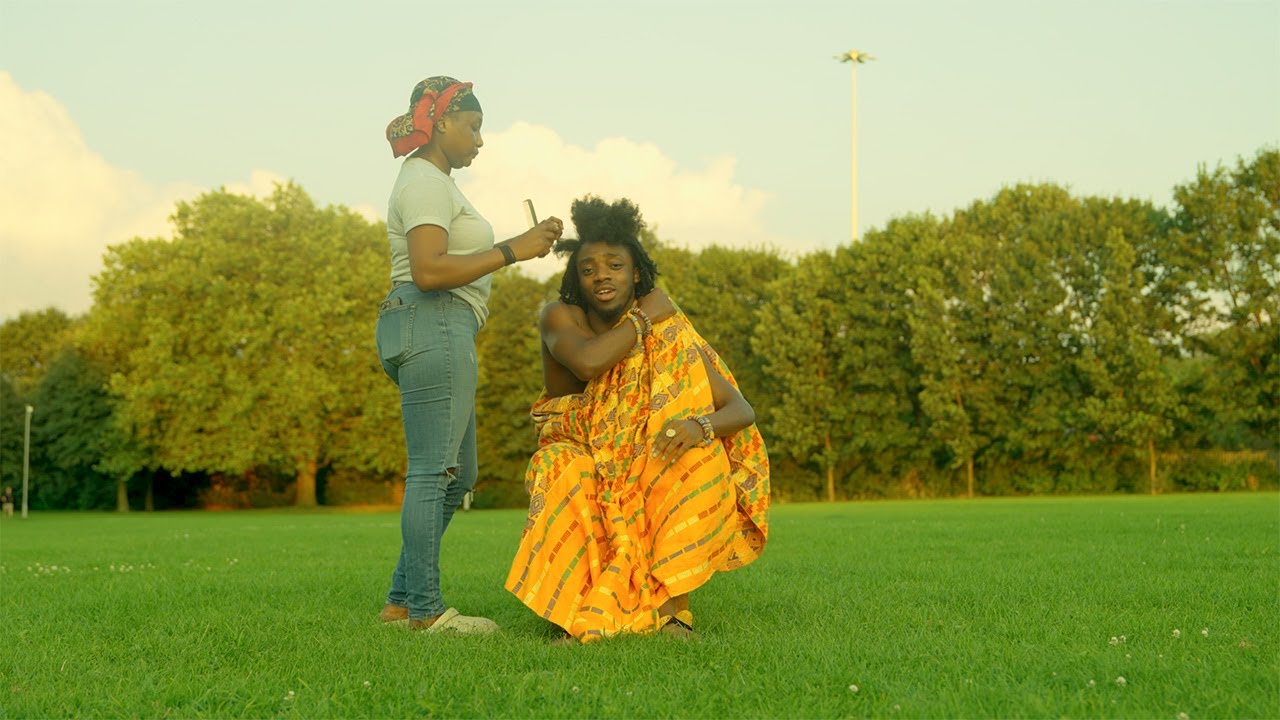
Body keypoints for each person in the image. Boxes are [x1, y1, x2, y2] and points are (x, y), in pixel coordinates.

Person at [505, 196, 770, 643]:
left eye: (615, 265)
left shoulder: (666, 330)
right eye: (588, 268)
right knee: (560, 468)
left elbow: (740, 409)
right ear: (575, 277)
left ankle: (672, 613)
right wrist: (645, 317)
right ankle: (573, 612)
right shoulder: (560, 315)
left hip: (639, 449)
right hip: (578, 446)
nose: (601, 275)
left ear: (635, 274)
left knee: (694, 458)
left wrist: (697, 428)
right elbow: (588, 362)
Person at [376, 76, 563, 633]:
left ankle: (401, 602)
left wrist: (521, 245)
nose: (480, 140)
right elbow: (429, 270)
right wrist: (513, 250)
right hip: (434, 317)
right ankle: (427, 613)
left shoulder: (435, 183)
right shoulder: (425, 181)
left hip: (438, 324)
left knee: (460, 475)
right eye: (474, 127)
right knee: (434, 471)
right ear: (441, 125)